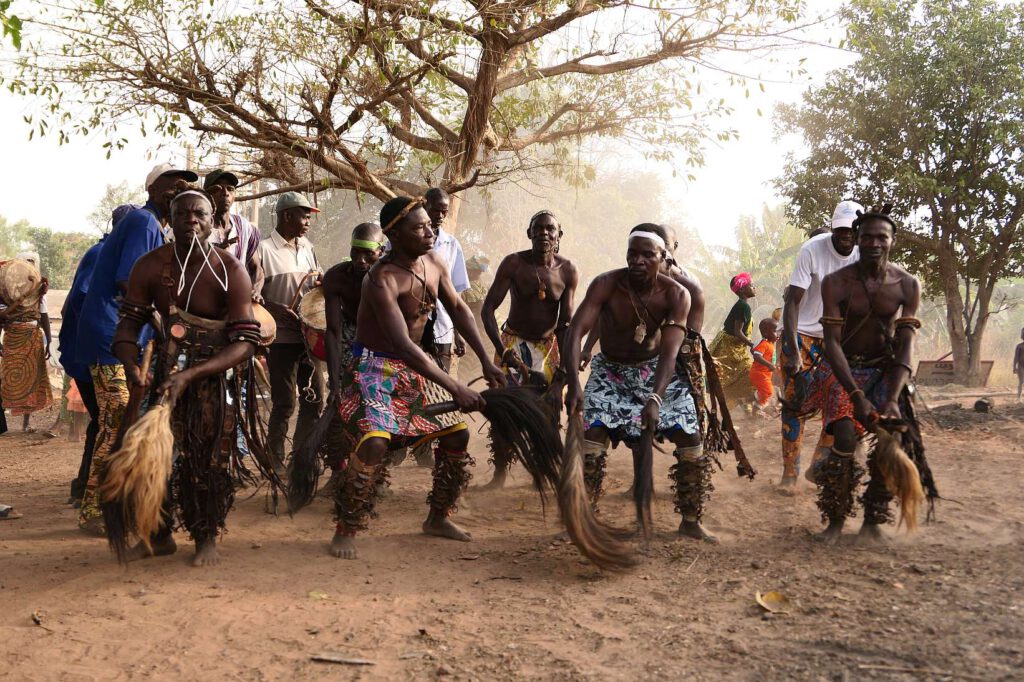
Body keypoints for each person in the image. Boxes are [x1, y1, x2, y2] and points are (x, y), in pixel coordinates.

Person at [328, 196, 505, 560]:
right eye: (420, 227)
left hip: (412, 367)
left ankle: (438, 517)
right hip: (373, 368)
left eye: (429, 225)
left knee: (457, 433)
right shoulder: (380, 280)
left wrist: (488, 361)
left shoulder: (434, 261)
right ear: (395, 235)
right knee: (376, 443)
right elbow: (402, 345)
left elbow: (458, 310)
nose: (430, 231)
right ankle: (346, 527)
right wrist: (455, 386)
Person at [112, 188, 267, 566]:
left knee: (209, 460)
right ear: (172, 218)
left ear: (212, 221)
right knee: (152, 459)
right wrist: (132, 365)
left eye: (199, 214)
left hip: (214, 378)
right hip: (167, 374)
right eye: (183, 214)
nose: (191, 221)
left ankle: (206, 535)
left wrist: (194, 374)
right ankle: (158, 535)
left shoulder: (231, 270)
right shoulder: (150, 266)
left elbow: (246, 341)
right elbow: (128, 325)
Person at [564, 225, 717, 542]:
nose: (638, 261)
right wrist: (573, 383)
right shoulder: (606, 284)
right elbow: (575, 331)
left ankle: (691, 519)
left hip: (656, 371)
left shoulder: (678, 294)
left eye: (648, 255)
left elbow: (670, 352)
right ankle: (583, 521)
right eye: (632, 253)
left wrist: (656, 400)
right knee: (591, 436)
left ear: (663, 257)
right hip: (610, 372)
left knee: (691, 436)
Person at [76, 163, 199, 534]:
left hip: (119, 338)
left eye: (188, 183)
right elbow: (130, 280)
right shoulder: (144, 223)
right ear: (152, 188)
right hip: (112, 338)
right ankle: (95, 512)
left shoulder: (155, 227)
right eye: (173, 182)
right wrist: (166, 317)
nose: (181, 186)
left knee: (121, 422)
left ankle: (116, 504)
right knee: (117, 423)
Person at [815, 206, 929, 545]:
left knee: (889, 439)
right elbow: (831, 344)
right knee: (846, 438)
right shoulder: (835, 283)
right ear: (857, 240)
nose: (874, 243)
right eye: (867, 237)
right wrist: (855, 394)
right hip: (843, 368)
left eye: (882, 237)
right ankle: (835, 520)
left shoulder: (907, 284)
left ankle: (871, 522)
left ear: (893, 241)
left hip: (885, 370)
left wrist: (893, 398)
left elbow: (906, 344)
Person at [479, 210, 578, 489]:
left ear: (559, 236)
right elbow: (488, 310)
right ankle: (499, 474)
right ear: (529, 233)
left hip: (548, 348)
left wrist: (564, 369)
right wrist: (502, 349)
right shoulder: (514, 264)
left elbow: (565, 324)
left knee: (548, 411)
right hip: (511, 343)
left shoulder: (568, 270)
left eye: (550, 229)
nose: (544, 234)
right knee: (504, 411)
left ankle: (543, 472)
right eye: (538, 228)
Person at [780, 200, 863, 486]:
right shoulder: (812, 250)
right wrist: (791, 350)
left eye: (852, 230)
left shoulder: (865, 255)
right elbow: (792, 301)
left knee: (839, 405)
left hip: (835, 337)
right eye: (841, 230)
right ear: (833, 228)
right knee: (796, 403)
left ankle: (819, 467)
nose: (846, 235)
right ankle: (789, 474)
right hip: (800, 332)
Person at [257, 191, 324, 470]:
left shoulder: (308, 247)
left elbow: (317, 286)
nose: (308, 220)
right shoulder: (263, 249)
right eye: (303, 214)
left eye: (309, 215)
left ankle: (302, 456)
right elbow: (254, 296)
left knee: (315, 398)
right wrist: (273, 308)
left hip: (308, 339)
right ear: (286, 216)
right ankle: (274, 461)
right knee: (285, 403)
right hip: (281, 340)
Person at [320, 223, 386, 480]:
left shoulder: (391, 275)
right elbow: (333, 332)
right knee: (340, 406)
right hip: (349, 335)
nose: (360, 260)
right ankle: (339, 471)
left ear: (381, 251)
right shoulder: (337, 277)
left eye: (367, 254)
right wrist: (335, 381)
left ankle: (374, 474)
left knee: (379, 409)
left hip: (385, 338)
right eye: (355, 252)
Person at [58, 223, 114, 506]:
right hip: (94, 357)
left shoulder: (105, 253)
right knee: (106, 422)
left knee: (101, 422)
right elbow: (79, 302)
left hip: (87, 355)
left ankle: (82, 487)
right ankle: (88, 491)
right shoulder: (103, 254)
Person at [0, 252, 53, 432]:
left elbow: (44, 316)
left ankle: (26, 423)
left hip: (32, 335)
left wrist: (49, 340)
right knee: (7, 378)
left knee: (32, 382)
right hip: (13, 335)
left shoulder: (39, 291)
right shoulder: (6, 291)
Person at [204, 168, 264, 300]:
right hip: (204, 301)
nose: (225, 193)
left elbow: (257, 268)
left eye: (230, 189)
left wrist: (256, 289)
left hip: (237, 301)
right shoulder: (197, 227)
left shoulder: (244, 227)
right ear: (207, 195)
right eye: (218, 189)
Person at [708, 272, 757, 406]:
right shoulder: (743, 306)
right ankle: (743, 407)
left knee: (734, 378)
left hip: (730, 346)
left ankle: (740, 407)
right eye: (751, 285)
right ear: (742, 289)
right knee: (748, 375)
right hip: (729, 349)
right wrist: (752, 345)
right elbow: (738, 332)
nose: (755, 287)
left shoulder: (742, 305)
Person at [456, 254, 490, 384]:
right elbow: (459, 313)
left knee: (477, 364)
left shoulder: (481, 287)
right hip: (474, 332)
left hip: (483, 332)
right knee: (468, 364)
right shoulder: (465, 288)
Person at [749, 318, 779, 414]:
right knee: (768, 391)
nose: (777, 334)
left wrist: (774, 366)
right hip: (759, 374)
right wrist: (769, 364)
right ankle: (757, 409)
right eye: (775, 331)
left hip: (764, 374)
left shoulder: (770, 344)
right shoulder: (764, 344)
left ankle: (752, 401)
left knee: (766, 391)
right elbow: (757, 356)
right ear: (766, 333)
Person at [1014, 328, 1024, 402]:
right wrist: (1014, 367)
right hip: (1021, 366)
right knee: (1021, 382)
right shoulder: (1019, 346)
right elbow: (1016, 357)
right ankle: (1018, 398)